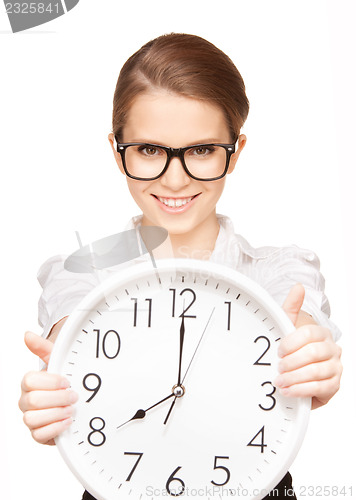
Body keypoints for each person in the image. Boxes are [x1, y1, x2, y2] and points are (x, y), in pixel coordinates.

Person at [18, 33, 342, 500]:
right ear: (117, 150)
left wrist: (312, 355)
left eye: (202, 150)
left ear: (236, 150)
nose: (175, 178)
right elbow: (69, 325)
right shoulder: (82, 271)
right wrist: (52, 389)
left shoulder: (279, 269)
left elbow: (303, 317)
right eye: (149, 150)